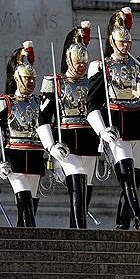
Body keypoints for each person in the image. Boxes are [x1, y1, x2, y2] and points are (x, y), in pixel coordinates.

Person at [87, 7, 140, 230]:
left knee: (134, 179)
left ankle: (122, 223)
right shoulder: (101, 66)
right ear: (112, 42)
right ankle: (138, 216)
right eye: (121, 42)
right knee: (126, 172)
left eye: (128, 42)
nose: (125, 46)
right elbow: (91, 104)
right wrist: (102, 130)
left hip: (137, 126)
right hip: (116, 127)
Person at [0, 41, 49, 227]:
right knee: (25, 200)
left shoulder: (40, 102)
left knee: (29, 207)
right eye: (27, 79)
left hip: (35, 157)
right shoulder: (5, 103)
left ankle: (22, 242)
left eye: (33, 79)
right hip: (15, 158)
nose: (31, 82)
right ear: (16, 78)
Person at [39, 22, 99, 228]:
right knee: (78, 177)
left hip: (90, 140)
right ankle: (81, 230)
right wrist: (51, 145)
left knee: (86, 186)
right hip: (66, 141)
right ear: (68, 59)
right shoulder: (54, 83)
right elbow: (43, 118)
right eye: (77, 62)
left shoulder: (93, 82)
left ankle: (75, 227)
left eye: (84, 62)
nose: (81, 66)